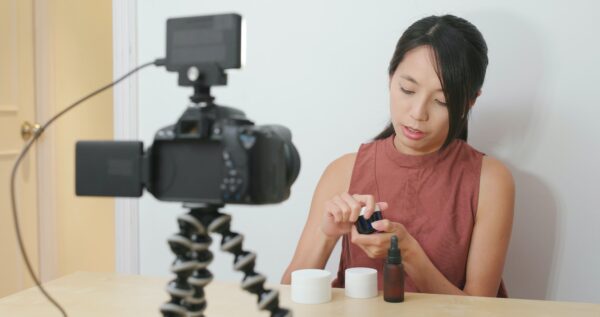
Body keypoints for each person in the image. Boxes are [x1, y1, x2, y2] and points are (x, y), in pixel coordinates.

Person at [281, 14, 514, 297]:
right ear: (391, 78)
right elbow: (287, 295)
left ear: (470, 101)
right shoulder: (344, 171)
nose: (418, 114)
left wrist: (409, 254)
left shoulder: (489, 180)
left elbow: (482, 310)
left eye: (442, 101)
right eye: (407, 89)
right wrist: (327, 234)